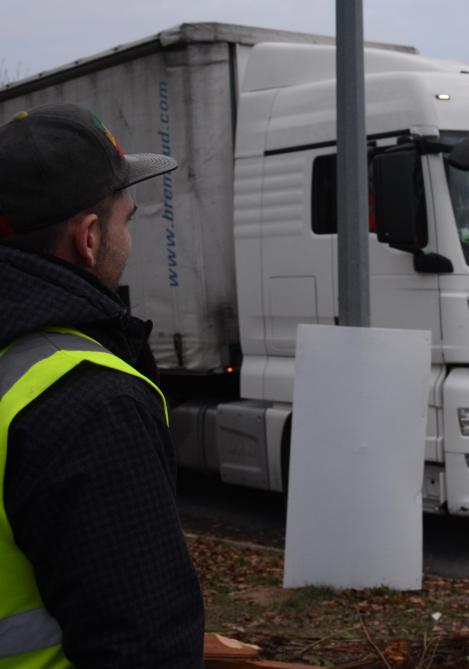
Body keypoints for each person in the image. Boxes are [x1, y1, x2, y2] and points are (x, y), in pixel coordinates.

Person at [0, 104, 204, 666]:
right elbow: (143, 645)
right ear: (89, 239)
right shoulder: (90, 402)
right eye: (126, 221)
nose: (128, 241)